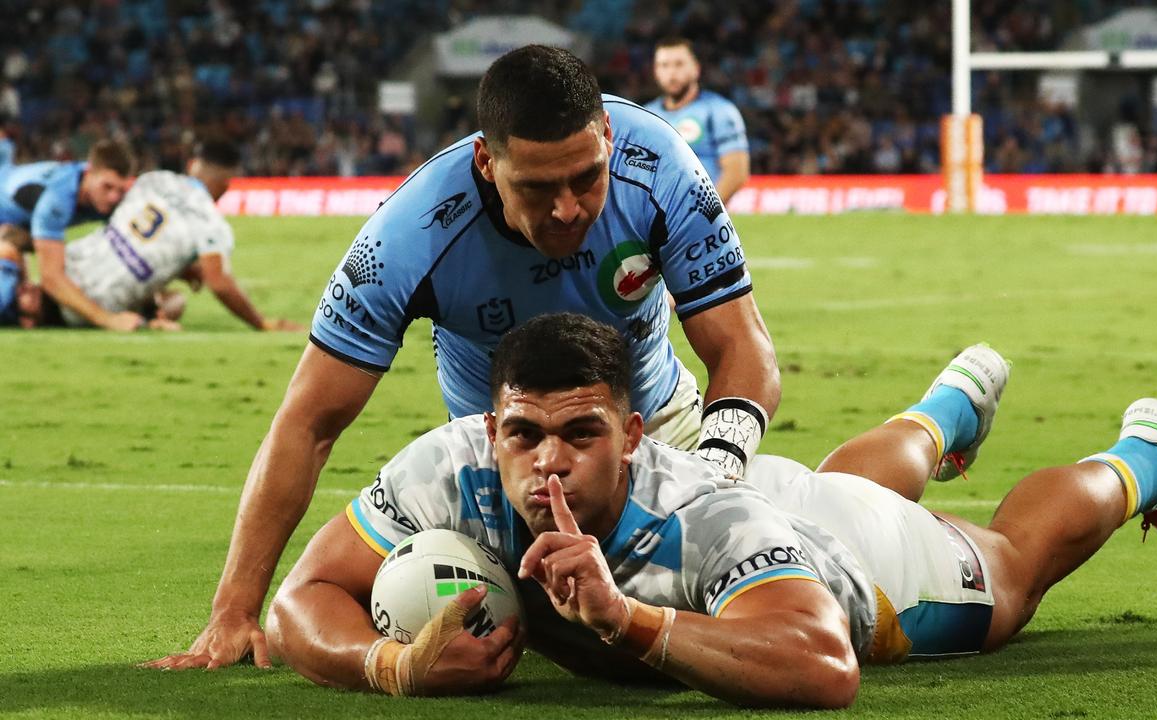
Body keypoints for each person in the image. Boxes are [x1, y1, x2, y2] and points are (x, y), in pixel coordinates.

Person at [144, 45, 780, 671]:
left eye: (587, 177)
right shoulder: (404, 241)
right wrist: (234, 608)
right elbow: (309, 421)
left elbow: (743, 347)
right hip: (503, 468)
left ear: (608, 136)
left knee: (741, 631)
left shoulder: (661, 164)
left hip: (655, 434)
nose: (567, 208)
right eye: (535, 187)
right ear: (485, 163)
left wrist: (717, 470)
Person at [255, 313, 1157, 707]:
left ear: (634, 433)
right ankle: (941, 414)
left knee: (1008, 576)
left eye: (581, 436)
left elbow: (823, 669)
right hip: (777, 503)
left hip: (838, 562)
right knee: (828, 483)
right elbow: (303, 599)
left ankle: (1144, 456)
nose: (546, 462)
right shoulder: (451, 466)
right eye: (522, 435)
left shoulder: (703, 524)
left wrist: (627, 620)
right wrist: (390, 663)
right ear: (490, 425)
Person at [43, 138, 299, 332]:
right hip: (90, 306)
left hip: (63, 270)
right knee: (175, 302)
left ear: (191, 165)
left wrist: (184, 270)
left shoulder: (155, 178)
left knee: (173, 299)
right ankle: (154, 318)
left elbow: (123, 225)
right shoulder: (211, 224)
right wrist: (261, 323)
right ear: (225, 185)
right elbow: (219, 283)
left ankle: (153, 315)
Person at [0, 139, 138, 331]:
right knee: (5, 297)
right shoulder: (58, 197)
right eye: (107, 187)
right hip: (7, 227)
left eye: (120, 190)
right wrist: (108, 320)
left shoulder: (99, 191)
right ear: (90, 173)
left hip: (15, 231)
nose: (113, 197)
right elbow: (50, 277)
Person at [645, 37, 750, 204]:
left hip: (703, 215)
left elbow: (736, 172)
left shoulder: (719, 110)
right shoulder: (647, 115)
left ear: (696, 69)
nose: (671, 73)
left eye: (679, 64)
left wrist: (706, 213)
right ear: (655, 71)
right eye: (664, 65)